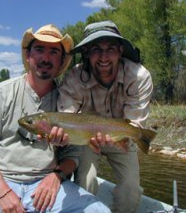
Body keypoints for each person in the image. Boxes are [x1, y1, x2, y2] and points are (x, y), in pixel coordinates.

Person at [0, 24, 111, 213]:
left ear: (61, 61)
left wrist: (56, 176)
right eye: (39, 50)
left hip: (46, 184)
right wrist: (3, 191)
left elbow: (72, 156)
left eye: (53, 52)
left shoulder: (68, 100)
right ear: (28, 55)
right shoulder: (1, 93)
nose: (45, 58)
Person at [57, 20, 153, 213]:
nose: (103, 57)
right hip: (85, 139)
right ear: (86, 53)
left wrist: (123, 136)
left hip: (122, 136)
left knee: (131, 191)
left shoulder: (139, 77)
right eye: (95, 49)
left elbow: (134, 122)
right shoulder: (74, 78)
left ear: (120, 51)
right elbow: (66, 119)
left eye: (110, 49)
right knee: (86, 181)